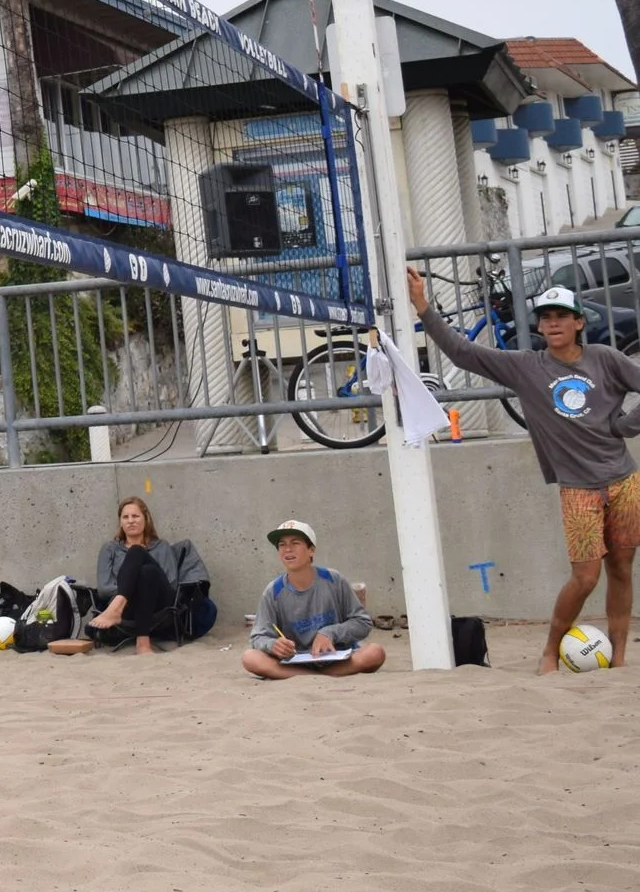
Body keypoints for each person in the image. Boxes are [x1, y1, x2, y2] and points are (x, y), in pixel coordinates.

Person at [409, 266, 640, 672]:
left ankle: (619, 657)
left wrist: (626, 426)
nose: (553, 323)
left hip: (624, 481)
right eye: (546, 318)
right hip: (578, 488)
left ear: (578, 322)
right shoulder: (526, 367)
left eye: (561, 316)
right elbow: (464, 353)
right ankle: (551, 650)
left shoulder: (605, 358)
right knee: (585, 579)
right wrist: (423, 306)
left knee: (621, 568)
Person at [240, 521, 386, 679]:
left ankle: (311, 675)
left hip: (337, 658)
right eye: (282, 545)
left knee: (375, 652)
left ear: (311, 550)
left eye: (295, 543)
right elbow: (258, 637)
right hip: (295, 662)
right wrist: (273, 645)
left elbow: (362, 623)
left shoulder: (333, 580)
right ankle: (312, 675)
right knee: (250, 657)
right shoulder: (273, 592)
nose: (288, 549)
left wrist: (329, 633)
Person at [83, 497, 174, 655]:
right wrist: (133, 591)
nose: (130, 521)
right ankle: (142, 644)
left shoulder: (162, 547)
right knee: (144, 571)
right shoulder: (110, 549)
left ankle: (115, 608)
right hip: (129, 610)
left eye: (135, 516)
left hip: (159, 606)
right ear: (120, 522)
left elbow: (171, 583)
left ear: (146, 519)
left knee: (139, 555)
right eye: (125, 517)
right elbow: (104, 589)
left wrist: (128, 591)